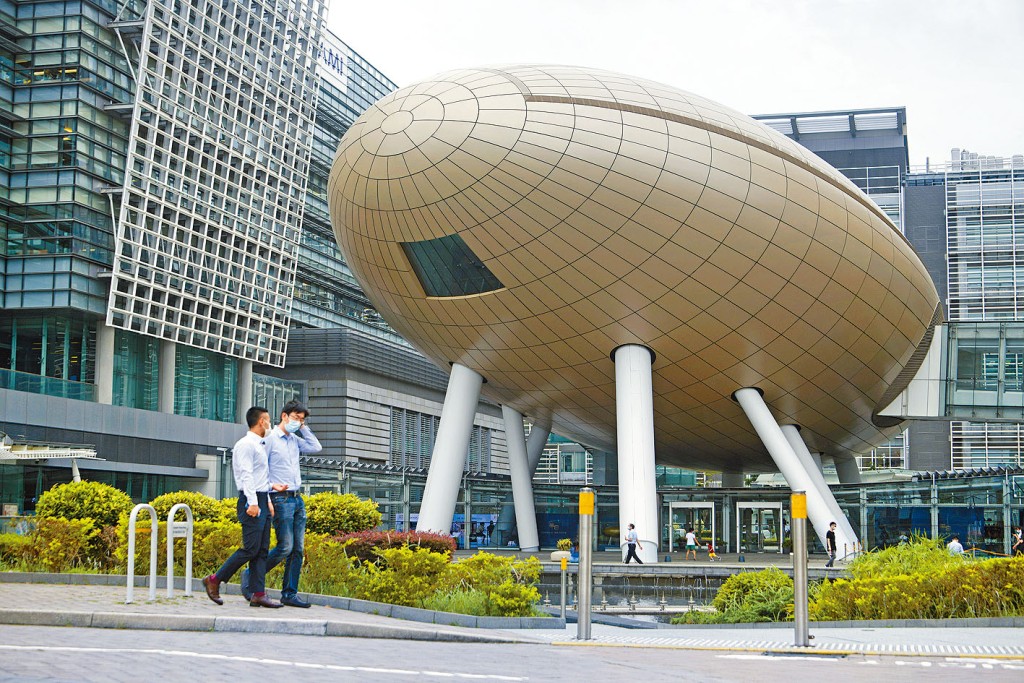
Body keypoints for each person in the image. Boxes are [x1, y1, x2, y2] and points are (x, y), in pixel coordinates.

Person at [241, 400, 321, 608]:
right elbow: (260, 471)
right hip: (280, 498)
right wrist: (267, 497)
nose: (299, 422)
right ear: (284, 416)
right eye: (296, 418)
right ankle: (251, 576)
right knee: (285, 547)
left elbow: (316, 447)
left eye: (302, 419)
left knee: (298, 550)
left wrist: (303, 428)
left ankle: (289, 593)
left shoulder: (295, 439)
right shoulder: (269, 439)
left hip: (297, 497)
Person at [202, 407, 282, 608]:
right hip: (251, 500)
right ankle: (215, 579)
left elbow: (259, 476)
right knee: (250, 549)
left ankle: (258, 593)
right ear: (261, 421)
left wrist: (268, 499)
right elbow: (246, 475)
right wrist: (253, 502)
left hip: (262, 498)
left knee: (262, 550)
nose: (269, 424)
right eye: (268, 420)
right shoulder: (245, 445)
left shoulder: (260, 445)